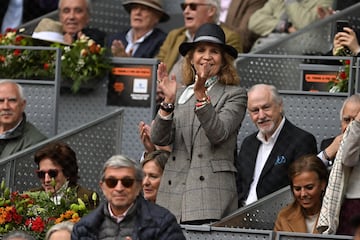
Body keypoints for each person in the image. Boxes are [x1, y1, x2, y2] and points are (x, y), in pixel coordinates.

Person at [151, 23, 247, 224]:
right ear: (192, 59)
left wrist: (202, 96)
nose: (207, 56)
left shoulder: (235, 94)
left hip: (211, 194)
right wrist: (168, 101)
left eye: (214, 51)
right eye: (201, 50)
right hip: (173, 192)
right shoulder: (179, 93)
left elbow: (218, 134)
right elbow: (159, 138)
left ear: (223, 60)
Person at [236, 84, 318, 207]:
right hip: (240, 216)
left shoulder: (301, 140)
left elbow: (302, 190)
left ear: (280, 106)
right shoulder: (248, 143)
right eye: (255, 111)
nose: (261, 115)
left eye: (266, 107)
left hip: (278, 219)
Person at [71, 155, 186, 240]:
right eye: (112, 182)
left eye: (127, 182)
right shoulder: (83, 228)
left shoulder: (163, 222)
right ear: (103, 187)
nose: (119, 188)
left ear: (138, 186)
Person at [156, 0, 242, 84]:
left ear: (211, 10)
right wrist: (159, 84)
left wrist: (178, 90)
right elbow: (157, 64)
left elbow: (228, 71)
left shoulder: (229, 37)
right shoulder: (174, 35)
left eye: (193, 6)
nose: (186, 11)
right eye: (184, 7)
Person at [317, 111, 360, 235]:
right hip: (350, 203)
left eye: (354, 120)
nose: (350, 125)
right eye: (347, 120)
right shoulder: (330, 144)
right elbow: (348, 159)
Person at [32, 142, 99, 209]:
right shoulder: (29, 198)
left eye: (52, 173)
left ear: (67, 172)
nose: (46, 180)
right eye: (41, 174)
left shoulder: (86, 198)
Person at [248, 0, 334, 52]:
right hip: (271, 48)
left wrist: (291, 1)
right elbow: (254, 22)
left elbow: (304, 24)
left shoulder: (323, 1)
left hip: (304, 50)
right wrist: (286, 27)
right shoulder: (278, 1)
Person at [274, 154, 328, 233]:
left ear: (323, 184)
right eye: (297, 189)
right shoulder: (284, 217)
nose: (303, 194)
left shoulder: (336, 216)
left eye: (309, 187)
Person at [0, 80, 47, 158]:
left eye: (12, 100)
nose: (6, 107)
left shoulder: (36, 143)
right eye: (1, 101)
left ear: (22, 105)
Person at [318, 94, 360, 167]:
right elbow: (311, 171)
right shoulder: (328, 144)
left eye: (356, 122)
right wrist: (327, 154)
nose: (350, 126)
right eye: (346, 120)